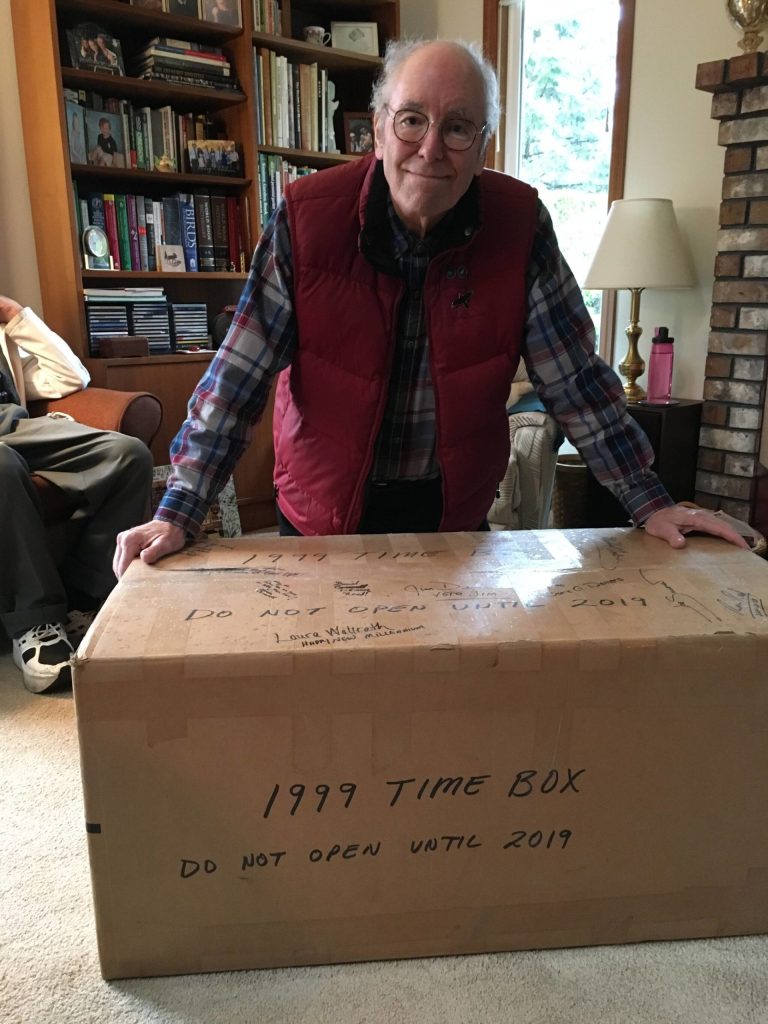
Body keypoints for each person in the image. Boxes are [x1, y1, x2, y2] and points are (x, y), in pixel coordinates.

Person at [114, 38, 748, 579]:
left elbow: (574, 379)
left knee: (445, 675)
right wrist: (179, 510)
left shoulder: (520, 226)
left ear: (483, 144)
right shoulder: (306, 220)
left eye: (458, 127)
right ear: (378, 127)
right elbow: (237, 379)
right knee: (329, 675)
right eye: (412, 119)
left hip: (452, 515)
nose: (431, 147)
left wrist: (650, 501)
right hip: (320, 514)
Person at [0, 297, 153, 693]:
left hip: (13, 425)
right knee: (2, 465)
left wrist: (15, 315)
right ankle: (35, 623)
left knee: (128, 454)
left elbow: (69, 377)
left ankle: (84, 599)